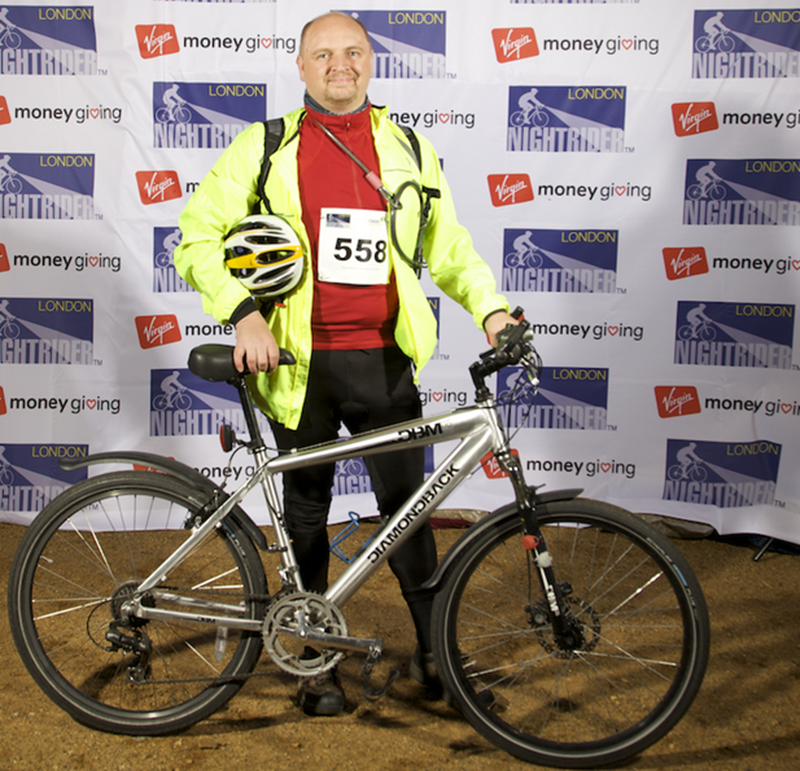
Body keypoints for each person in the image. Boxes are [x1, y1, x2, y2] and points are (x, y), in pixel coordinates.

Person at [174, 11, 516, 717]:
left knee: (409, 510)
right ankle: (312, 657)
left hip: (385, 360)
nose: (340, 64)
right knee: (306, 512)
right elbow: (196, 235)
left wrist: (491, 310)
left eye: (354, 51)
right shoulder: (264, 146)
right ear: (301, 66)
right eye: (324, 53)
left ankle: (435, 658)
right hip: (297, 365)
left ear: (371, 61)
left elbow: (449, 246)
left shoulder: (408, 148)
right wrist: (243, 312)